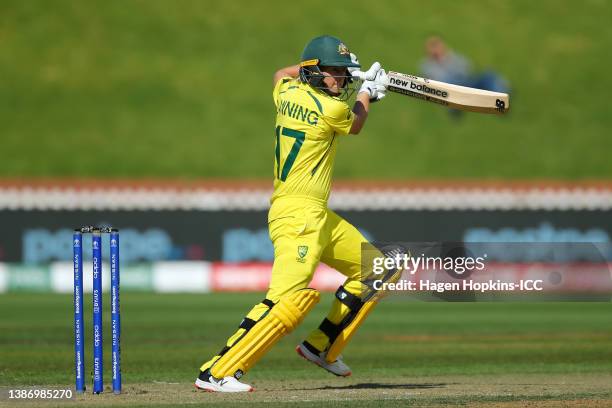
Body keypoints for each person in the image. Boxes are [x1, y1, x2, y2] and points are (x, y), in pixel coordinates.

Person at [194, 35, 388, 393]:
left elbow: (281, 72)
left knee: (378, 268)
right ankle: (216, 371)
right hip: (299, 215)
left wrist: (339, 74)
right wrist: (369, 92)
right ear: (314, 74)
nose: (342, 81)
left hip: (313, 213)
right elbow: (356, 123)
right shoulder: (330, 109)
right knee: (285, 300)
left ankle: (322, 346)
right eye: (335, 73)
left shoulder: (285, 93)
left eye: (344, 74)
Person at [420, 36, 510, 100]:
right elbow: (433, 82)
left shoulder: (453, 57)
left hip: (466, 83)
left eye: (436, 45)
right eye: (432, 46)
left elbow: (467, 68)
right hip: (451, 89)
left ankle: (502, 94)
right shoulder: (427, 65)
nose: (435, 49)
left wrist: (448, 60)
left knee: (488, 74)